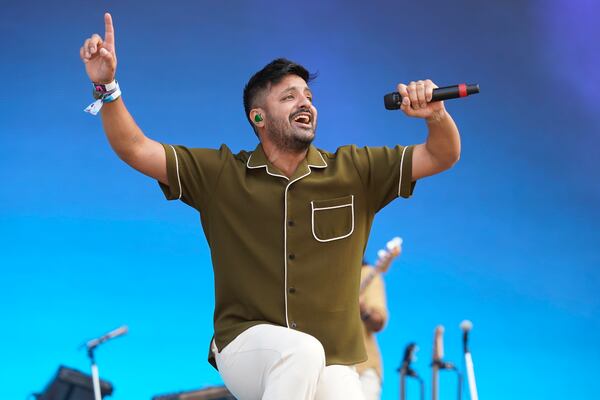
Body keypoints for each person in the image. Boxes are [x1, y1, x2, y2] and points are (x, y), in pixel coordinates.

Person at [79, 13, 461, 400]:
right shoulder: (221, 175)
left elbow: (441, 155)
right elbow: (135, 147)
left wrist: (436, 116)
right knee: (301, 350)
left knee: (343, 388)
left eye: (308, 96)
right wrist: (106, 85)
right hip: (245, 345)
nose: (305, 103)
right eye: (289, 96)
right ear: (258, 117)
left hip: (333, 356)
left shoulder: (356, 170)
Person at [356, 260, 389, 400]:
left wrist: (364, 312)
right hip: (326, 366)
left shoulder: (367, 273)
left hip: (363, 368)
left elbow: (378, 323)